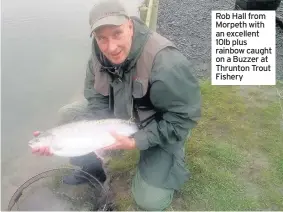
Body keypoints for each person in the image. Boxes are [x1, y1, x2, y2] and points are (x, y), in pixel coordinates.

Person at [31, 0, 202, 210]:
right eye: (102, 38)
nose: (111, 47)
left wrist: (136, 141)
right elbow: (96, 101)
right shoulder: (97, 56)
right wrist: (63, 138)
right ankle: (93, 167)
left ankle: (171, 155)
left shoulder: (167, 63)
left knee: (150, 201)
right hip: (123, 117)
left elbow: (183, 117)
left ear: (130, 26)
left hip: (158, 126)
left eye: (117, 34)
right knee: (69, 114)